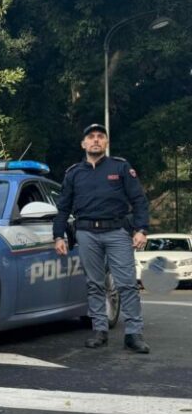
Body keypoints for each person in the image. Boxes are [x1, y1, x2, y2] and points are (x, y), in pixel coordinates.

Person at [53, 123, 150, 354]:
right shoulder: (73, 173)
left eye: (100, 137)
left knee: (126, 284)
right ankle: (99, 330)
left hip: (117, 232)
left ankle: (133, 334)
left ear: (106, 143)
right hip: (86, 234)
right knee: (94, 284)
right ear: (84, 144)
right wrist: (58, 236)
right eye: (91, 137)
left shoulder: (121, 167)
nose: (96, 140)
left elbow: (139, 201)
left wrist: (141, 229)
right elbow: (63, 208)